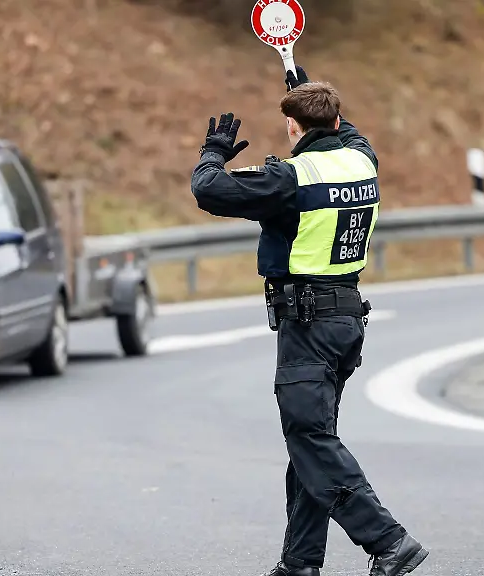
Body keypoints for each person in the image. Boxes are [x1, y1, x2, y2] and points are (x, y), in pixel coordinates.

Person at [190, 65, 429, 576]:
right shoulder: (363, 161)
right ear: (338, 119)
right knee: (313, 439)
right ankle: (300, 563)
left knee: (309, 439)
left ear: (294, 130)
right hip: (346, 320)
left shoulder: (289, 179)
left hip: (307, 324)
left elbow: (208, 190)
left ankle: (389, 541)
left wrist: (214, 151)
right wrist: (303, 84)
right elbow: (346, 126)